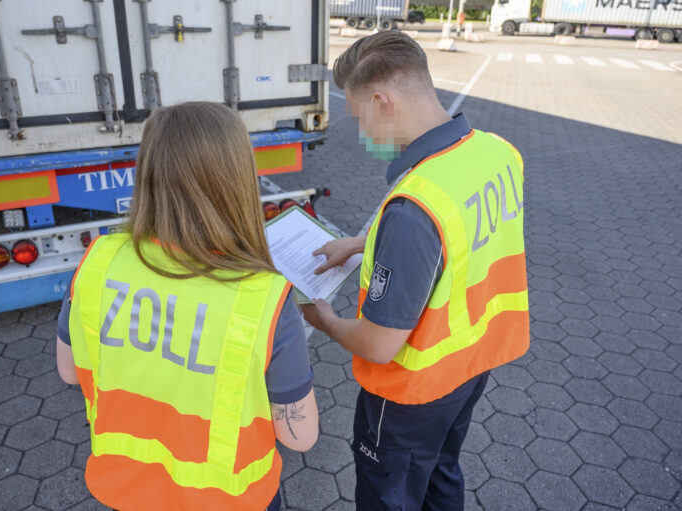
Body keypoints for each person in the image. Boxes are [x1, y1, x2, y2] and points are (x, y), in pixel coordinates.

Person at [302, 31, 529, 510]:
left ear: (382, 101)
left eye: (362, 120)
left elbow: (379, 344)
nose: (364, 139)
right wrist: (365, 243)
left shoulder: (413, 207)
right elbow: (457, 235)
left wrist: (325, 320)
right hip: (470, 368)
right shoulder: (495, 153)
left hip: (411, 393)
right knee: (442, 470)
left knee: (394, 494)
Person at [56, 102, 318, 511]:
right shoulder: (264, 298)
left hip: (128, 492)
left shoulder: (100, 262)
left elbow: (69, 370)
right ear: (237, 182)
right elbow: (300, 437)